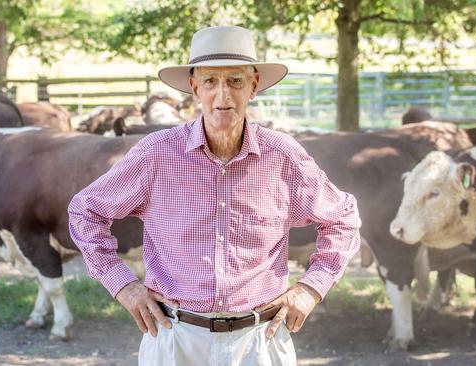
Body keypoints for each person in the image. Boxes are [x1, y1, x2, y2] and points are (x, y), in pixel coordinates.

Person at [68, 25, 361, 365]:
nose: (223, 96)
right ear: (194, 88)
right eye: (210, 81)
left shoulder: (282, 156)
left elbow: (343, 220)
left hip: (260, 341)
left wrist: (311, 289)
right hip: (175, 338)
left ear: (253, 86)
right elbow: (85, 211)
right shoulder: (156, 154)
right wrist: (123, 286)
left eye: (236, 81)